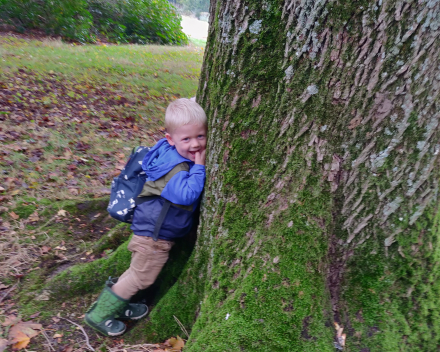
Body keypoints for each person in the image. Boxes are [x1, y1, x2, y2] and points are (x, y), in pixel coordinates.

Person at [84, 98, 207, 336]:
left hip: (149, 229)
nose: (195, 145)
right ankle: (99, 315)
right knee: (141, 279)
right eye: (187, 139)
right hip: (154, 236)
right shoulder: (175, 169)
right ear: (171, 139)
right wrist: (199, 166)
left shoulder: (166, 152)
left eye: (200, 136)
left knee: (135, 274)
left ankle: (119, 304)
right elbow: (186, 194)